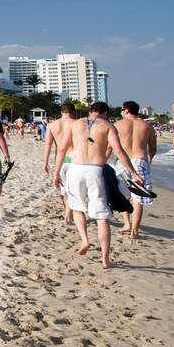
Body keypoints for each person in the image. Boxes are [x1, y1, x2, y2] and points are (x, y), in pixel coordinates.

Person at [51, 102, 145, 269]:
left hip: (75, 168)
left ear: (90, 111)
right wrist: (134, 173)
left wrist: (57, 172)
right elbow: (119, 152)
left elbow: (62, 150)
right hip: (96, 170)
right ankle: (105, 259)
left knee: (77, 207)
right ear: (106, 113)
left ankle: (85, 240)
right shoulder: (108, 126)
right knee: (102, 216)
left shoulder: (75, 124)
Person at [114, 100, 156, 241]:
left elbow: (110, 146)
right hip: (139, 161)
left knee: (123, 194)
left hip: (123, 161)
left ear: (126, 110)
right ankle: (134, 230)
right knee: (138, 199)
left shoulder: (118, 125)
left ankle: (126, 223)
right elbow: (153, 147)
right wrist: (150, 158)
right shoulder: (147, 126)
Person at [44, 102, 80, 225]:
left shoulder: (52, 125)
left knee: (64, 188)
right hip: (74, 158)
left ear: (61, 112)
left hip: (60, 159)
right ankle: (69, 213)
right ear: (73, 112)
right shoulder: (77, 124)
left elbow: (48, 145)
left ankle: (68, 212)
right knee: (72, 187)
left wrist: (45, 162)